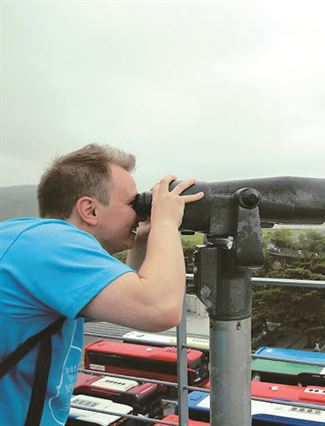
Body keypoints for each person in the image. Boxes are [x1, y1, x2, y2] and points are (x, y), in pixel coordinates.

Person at [0, 144, 204, 425]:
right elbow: (160, 309)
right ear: (89, 209)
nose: (139, 213)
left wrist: (144, 240)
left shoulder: (30, 239)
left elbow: (125, 299)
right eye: (133, 204)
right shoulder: (58, 244)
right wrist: (166, 223)